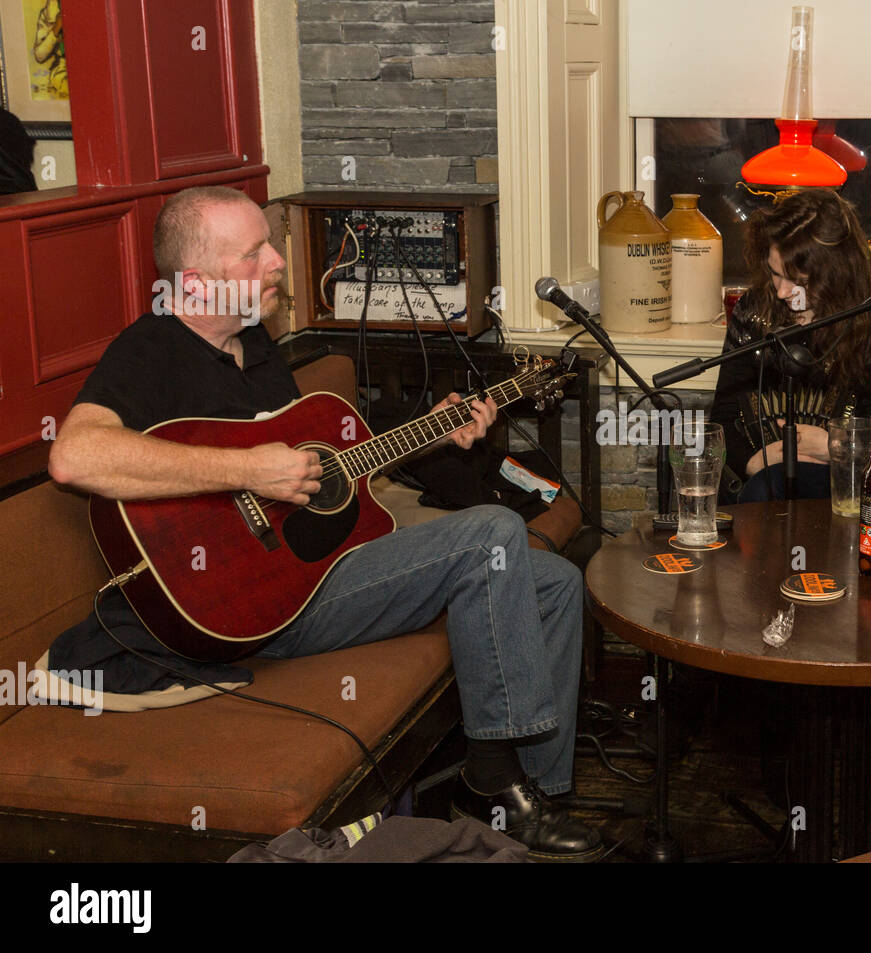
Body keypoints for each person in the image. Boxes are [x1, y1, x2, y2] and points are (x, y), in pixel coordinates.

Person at [47, 186, 602, 862]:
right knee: (488, 532)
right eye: (254, 253)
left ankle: (534, 796)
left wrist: (436, 434)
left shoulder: (254, 343)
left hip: (318, 570)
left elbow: (328, 470)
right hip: (253, 608)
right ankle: (496, 782)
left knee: (553, 581)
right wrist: (246, 472)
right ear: (194, 283)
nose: (278, 261)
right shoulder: (150, 350)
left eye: (270, 244)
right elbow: (74, 455)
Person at [710, 188, 871, 503]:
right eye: (775, 274)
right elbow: (722, 417)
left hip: (843, 487)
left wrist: (838, 446)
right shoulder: (754, 308)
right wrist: (758, 461)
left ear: (835, 274)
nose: (780, 292)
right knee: (766, 488)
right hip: (756, 482)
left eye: (798, 281)